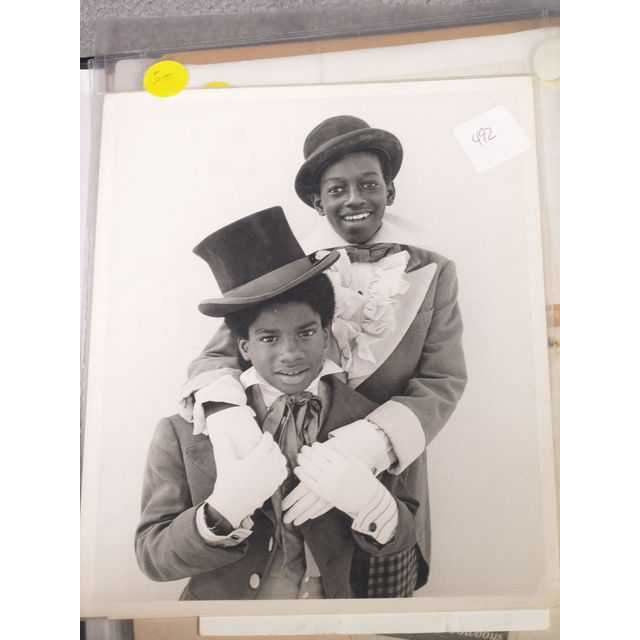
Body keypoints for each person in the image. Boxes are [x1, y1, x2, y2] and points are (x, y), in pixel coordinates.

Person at [179, 116, 468, 579]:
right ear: (318, 202)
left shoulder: (434, 270)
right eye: (336, 190)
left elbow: (443, 378)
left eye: (368, 184)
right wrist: (224, 412)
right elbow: (220, 353)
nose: (354, 199)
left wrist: (374, 442)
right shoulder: (293, 271)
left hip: (385, 478)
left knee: (378, 602)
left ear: (389, 192)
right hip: (291, 469)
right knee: (294, 587)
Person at [136, 207, 428, 600]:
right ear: (243, 346)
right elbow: (152, 556)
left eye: (306, 332)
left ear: (327, 335)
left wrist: (376, 506)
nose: (290, 353)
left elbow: (404, 537)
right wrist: (217, 514)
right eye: (269, 338)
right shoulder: (182, 432)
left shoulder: (378, 425)